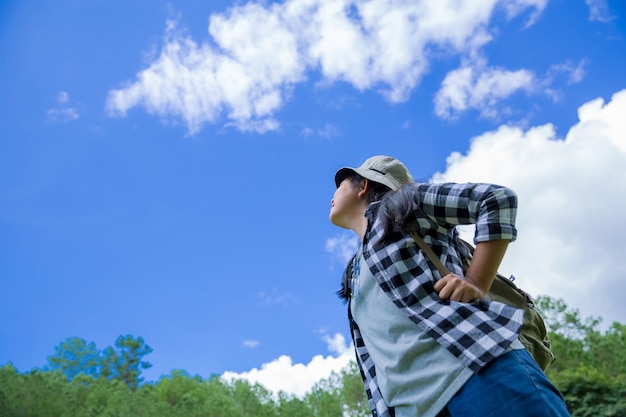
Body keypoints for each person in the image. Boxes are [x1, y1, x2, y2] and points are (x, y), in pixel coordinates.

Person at [329, 155, 570, 417]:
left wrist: (476, 281)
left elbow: (496, 198)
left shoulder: (401, 206)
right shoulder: (354, 273)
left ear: (363, 185)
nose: (332, 195)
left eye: (340, 185)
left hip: (479, 372)